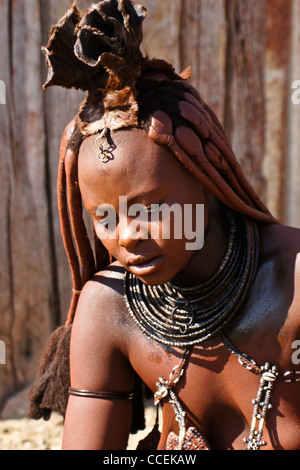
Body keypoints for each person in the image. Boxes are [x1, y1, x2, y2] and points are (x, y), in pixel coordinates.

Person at [28, 0, 300, 450]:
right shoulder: (110, 308)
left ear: (207, 180)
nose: (128, 235)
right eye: (105, 217)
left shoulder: (291, 282)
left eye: (150, 208)